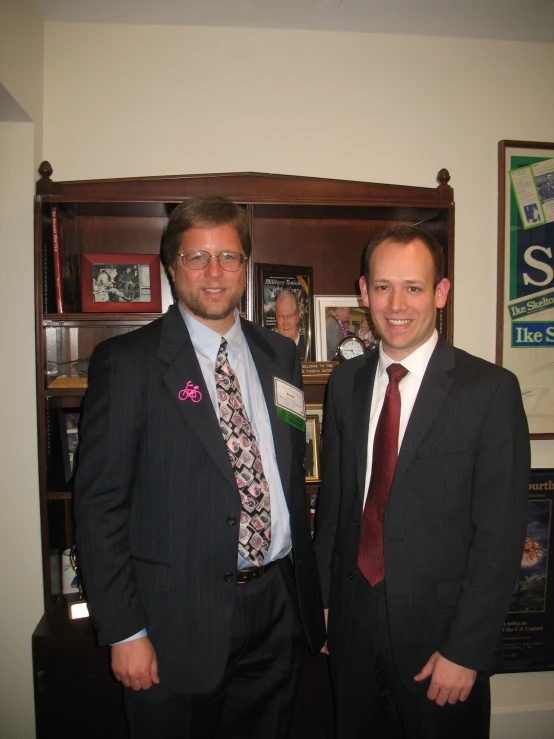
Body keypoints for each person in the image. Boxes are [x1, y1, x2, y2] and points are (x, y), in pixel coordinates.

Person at [73, 196, 325, 739]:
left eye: (229, 257)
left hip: (277, 610)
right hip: (173, 627)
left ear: (245, 267)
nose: (215, 273)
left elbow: (287, 473)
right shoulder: (127, 365)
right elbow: (98, 508)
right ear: (171, 267)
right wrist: (123, 631)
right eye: (197, 258)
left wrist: (312, 602)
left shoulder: (281, 356)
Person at [314, 225, 530, 739]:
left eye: (413, 287)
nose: (397, 304)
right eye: (383, 286)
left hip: (441, 643)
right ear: (363, 292)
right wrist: (323, 602)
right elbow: (337, 503)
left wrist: (467, 649)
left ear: (441, 293)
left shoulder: (490, 391)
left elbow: (500, 538)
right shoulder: (345, 383)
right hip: (351, 629)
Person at [275, 289, 308, 361]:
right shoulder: (269, 351)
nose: (286, 323)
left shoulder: (309, 349)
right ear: (276, 318)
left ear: (297, 316)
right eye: (281, 316)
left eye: (290, 316)